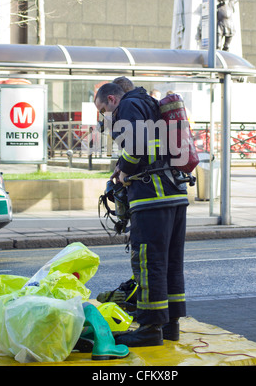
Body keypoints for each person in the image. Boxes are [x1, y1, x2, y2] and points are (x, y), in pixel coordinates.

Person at [94, 83, 188, 347]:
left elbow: (136, 143)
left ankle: (149, 329)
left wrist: (124, 172)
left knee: (149, 263)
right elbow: (150, 145)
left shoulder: (126, 106)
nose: (104, 115)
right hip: (175, 193)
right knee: (170, 263)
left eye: (103, 109)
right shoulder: (148, 104)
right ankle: (170, 325)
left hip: (151, 197)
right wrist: (120, 167)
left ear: (111, 99)